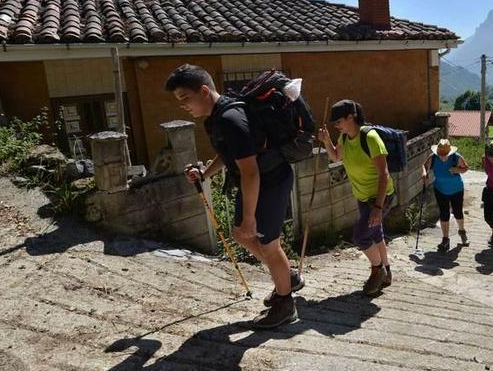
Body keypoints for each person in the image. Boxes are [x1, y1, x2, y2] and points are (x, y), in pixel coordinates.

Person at [165, 64, 302, 329]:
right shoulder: (217, 116)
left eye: (186, 99)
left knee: (266, 244)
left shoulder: (230, 119)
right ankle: (287, 275)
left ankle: (286, 304)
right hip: (255, 181)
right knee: (240, 234)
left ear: (204, 90)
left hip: (270, 181)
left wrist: (250, 216)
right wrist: (205, 173)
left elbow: (250, 171)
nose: (184, 106)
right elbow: (231, 154)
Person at [318, 99, 394, 296]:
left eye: (338, 121)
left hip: (379, 197)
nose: (336, 126)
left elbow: (383, 175)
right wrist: (327, 141)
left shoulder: (371, 138)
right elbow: (336, 157)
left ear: (351, 117)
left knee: (361, 236)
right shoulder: (344, 138)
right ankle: (387, 273)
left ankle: (377, 270)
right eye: (334, 123)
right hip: (362, 197)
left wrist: (378, 207)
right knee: (376, 234)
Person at [421, 138, 469, 252]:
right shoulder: (433, 157)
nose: (442, 157)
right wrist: (424, 173)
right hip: (440, 189)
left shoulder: (456, 157)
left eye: (445, 154)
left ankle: (462, 231)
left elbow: (466, 168)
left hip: (456, 189)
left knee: (457, 212)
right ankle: (445, 239)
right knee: (444, 213)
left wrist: (457, 169)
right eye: (441, 154)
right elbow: (424, 166)